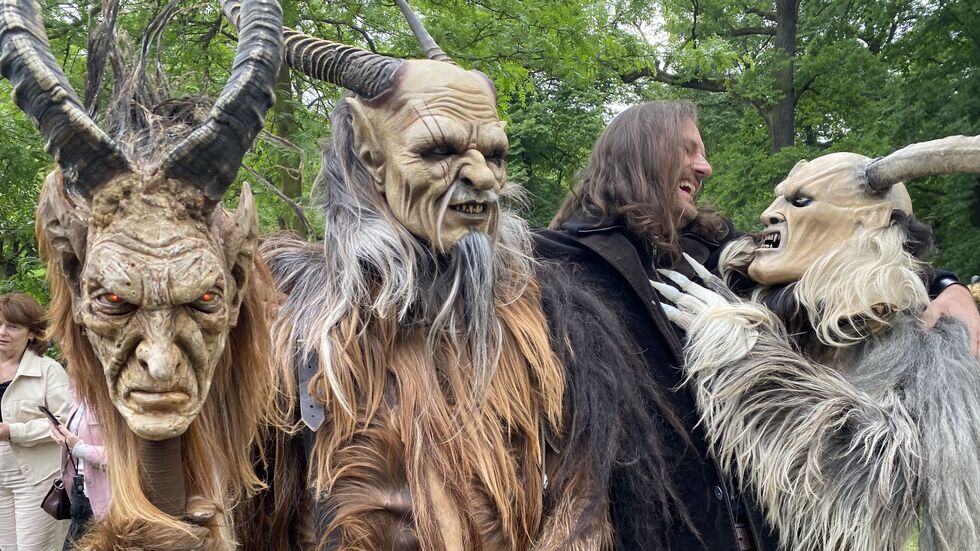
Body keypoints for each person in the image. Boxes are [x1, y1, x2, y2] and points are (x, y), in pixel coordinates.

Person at [536, 101, 980, 549]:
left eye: (703, 154)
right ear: (639, 152)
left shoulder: (714, 253)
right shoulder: (552, 262)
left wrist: (949, 286)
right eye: (688, 150)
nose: (705, 167)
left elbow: (849, 255)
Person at [658, 135, 980, 550]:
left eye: (799, 201)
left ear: (868, 223)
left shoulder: (923, 341)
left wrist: (745, 359)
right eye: (779, 198)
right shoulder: (741, 281)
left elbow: (873, 496)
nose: (769, 213)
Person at [0, 292, 71, 550]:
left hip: (37, 479)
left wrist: (12, 431)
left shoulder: (48, 370)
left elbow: (65, 421)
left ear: (32, 333)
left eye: (13, 326)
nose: (2, 332)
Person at [49, 385, 108, 549]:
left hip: (106, 503)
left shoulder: (114, 401)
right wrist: (64, 438)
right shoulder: (79, 396)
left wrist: (80, 448)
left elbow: (126, 457)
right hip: (79, 494)